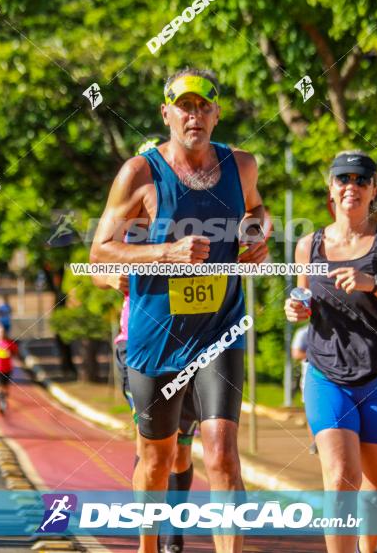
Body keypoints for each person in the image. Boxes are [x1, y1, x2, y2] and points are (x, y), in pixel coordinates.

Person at [90, 68, 268, 553]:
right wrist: (163, 254)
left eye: (203, 105)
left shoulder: (242, 165)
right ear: (166, 113)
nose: (194, 115)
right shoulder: (140, 173)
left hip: (221, 329)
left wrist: (257, 235)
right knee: (157, 459)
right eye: (183, 106)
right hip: (155, 336)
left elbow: (256, 210)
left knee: (223, 456)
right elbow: (100, 252)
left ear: (217, 112)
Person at [284, 150, 377, 553]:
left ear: (373, 188)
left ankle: (370, 548)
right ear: (331, 188)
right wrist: (297, 306)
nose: (352, 186)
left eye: (361, 180)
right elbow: (305, 297)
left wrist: (373, 284)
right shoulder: (309, 244)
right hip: (327, 374)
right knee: (341, 474)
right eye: (344, 179)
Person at [92, 134, 197, 553]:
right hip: (135, 342)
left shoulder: (189, 219)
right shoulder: (123, 223)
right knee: (151, 443)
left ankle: (175, 529)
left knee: (182, 449)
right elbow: (96, 264)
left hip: (190, 340)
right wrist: (111, 277)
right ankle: (151, 540)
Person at [291, 324, 316, 454]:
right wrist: (320, 354)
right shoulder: (303, 332)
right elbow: (296, 353)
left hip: (332, 376)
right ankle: (314, 442)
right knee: (311, 411)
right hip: (309, 376)